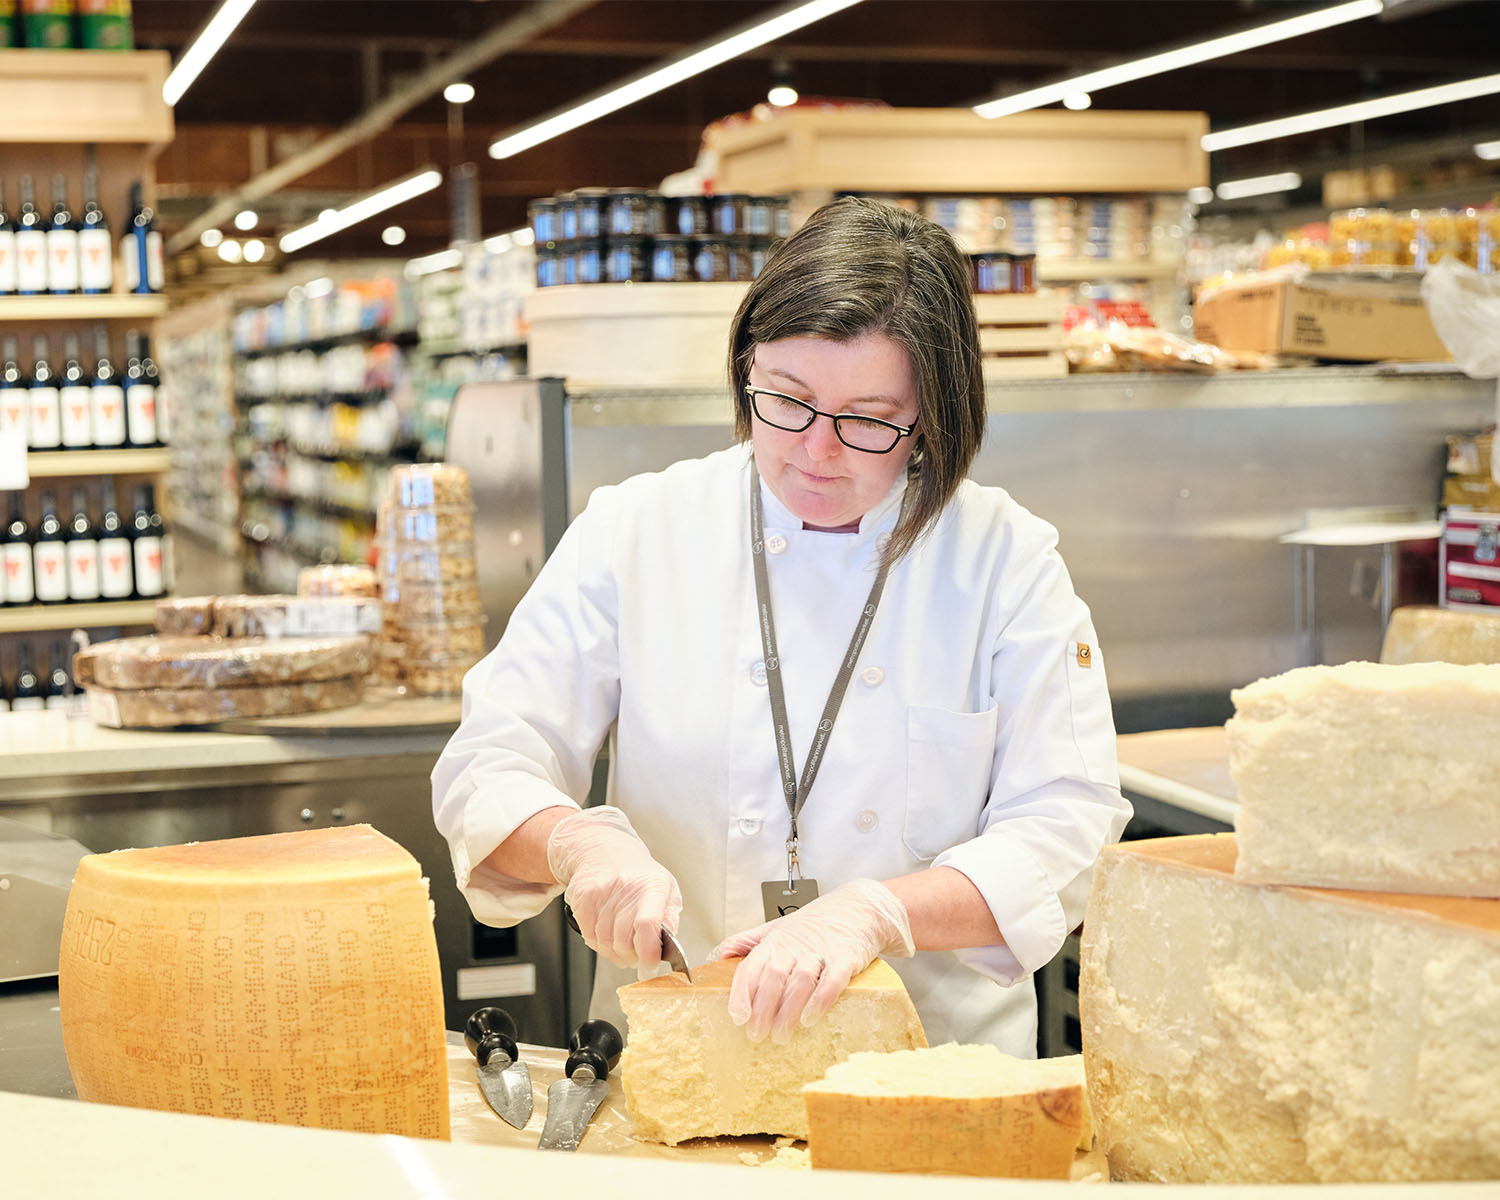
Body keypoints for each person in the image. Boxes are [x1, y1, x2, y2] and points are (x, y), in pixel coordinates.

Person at [431, 196, 1132, 1054]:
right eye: (786, 401)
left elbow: (1071, 826)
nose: (815, 450)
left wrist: (881, 914)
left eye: (868, 420)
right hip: (679, 1046)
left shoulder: (1003, 561)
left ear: (932, 421)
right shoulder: (641, 529)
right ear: (746, 369)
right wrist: (576, 845)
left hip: (931, 1067)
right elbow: (488, 762)